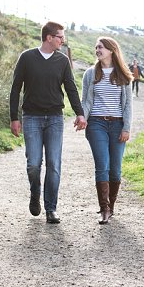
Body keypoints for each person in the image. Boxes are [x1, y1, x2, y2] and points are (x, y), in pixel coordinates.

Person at [9, 21, 87, 224]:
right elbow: (15, 88)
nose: (63, 40)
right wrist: (14, 118)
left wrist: (80, 114)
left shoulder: (62, 61)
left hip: (54, 118)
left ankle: (51, 208)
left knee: (54, 164)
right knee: (34, 165)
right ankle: (35, 193)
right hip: (31, 117)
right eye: (60, 36)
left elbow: (71, 89)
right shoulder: (26, 58)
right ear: (49, 38)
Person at [81, 37, 134, 224]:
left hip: (118, 125)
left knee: (115, 170)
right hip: (96, 124)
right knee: (102, 165)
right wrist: (82, 118)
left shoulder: (124, 75)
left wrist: (126, 128)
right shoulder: (90, 74)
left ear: (111, 50)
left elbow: (127, 106)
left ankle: (111, 206)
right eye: (96, 47)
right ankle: (104, 209)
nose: (97, 50)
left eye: (101, 47)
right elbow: (86, 101)